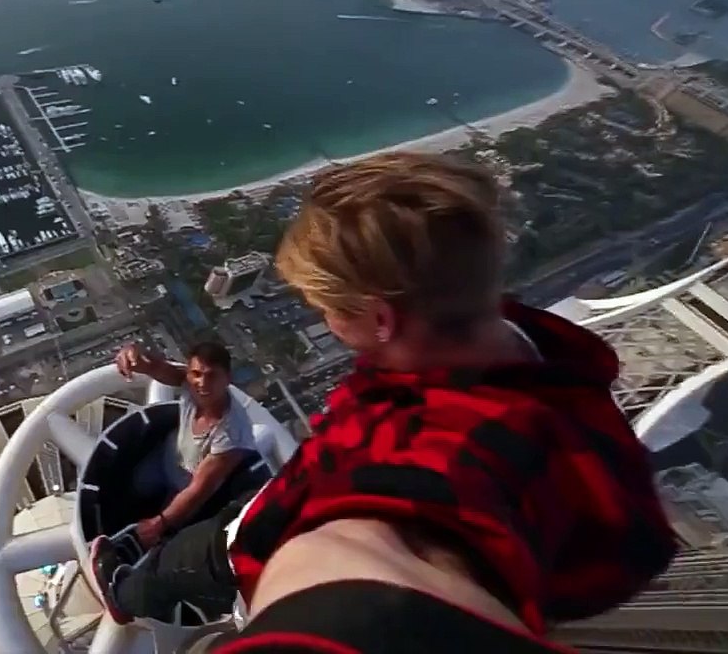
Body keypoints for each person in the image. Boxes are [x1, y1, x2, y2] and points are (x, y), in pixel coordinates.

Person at [87, 153, 676, 650]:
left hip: (250, 549)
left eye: (327, 308)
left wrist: (317, 590)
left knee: (175, 566)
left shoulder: (412, 451)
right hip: (276, 509)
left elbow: (375, 567)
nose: (325, 320)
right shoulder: (541, 356)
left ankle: (120, 591)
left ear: (380, 318)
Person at [114, 340, 264, 548]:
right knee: (137, 486)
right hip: (167, 458)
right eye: (196, 374)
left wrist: (160, 522)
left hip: (183, 485)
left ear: (228, 379)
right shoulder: (190, 383)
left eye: (212, 376)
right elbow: (156, 367)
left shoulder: (232, 433)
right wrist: (134, 353)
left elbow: (199, 489)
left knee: (163, 534)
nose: (202, 383)